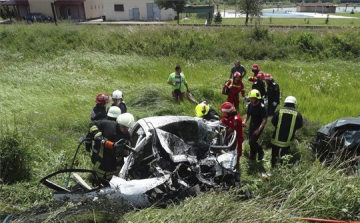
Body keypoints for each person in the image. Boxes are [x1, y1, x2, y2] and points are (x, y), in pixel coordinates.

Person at [89, 113, 135, 185]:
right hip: (102, 156)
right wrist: (97, 135)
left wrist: (124, 150)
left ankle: (108, 184)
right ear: (119, 123)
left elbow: (127, 148)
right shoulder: (108, 125)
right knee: (98, 172)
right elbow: (92, 124)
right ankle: (95, 181)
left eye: (127, 128)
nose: (125, 129)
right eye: (123, 127)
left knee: (111, 177)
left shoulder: (127, 135)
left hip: (114, 160)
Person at [271, 96, 303, 168]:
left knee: (274, 154)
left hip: (276, 138)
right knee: (284, 154)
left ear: (285, 102)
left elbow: (273, 121)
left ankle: (273, 166)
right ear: (294, 104)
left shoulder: (279, 111)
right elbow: (300, 125)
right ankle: (282, 167)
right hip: (288, 139)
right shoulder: (297, 113)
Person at [242, 89, 268, 161]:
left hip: (259, 126)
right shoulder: (250, 105)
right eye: (250, 98)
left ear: (257, 99)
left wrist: (259, 130)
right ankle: (252, 156)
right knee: (251, 142)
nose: (250, 100)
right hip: (252, 125)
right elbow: (248, 114)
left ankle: (260, 151)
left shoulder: (262, 107)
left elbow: (264, 120)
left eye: (252, 98)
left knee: (252, 141)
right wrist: (244, 121)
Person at [220, 102, 244, 171]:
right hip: (229, 137)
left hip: (237, 138)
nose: (223, 114)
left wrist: (221, 134)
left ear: (228, 113)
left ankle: (236, 165)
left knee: (237, 152)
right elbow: (221, 122)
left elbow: (230, 130)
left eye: (224, 113)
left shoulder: (236, 119)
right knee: (229, 150)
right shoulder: (227, 115)